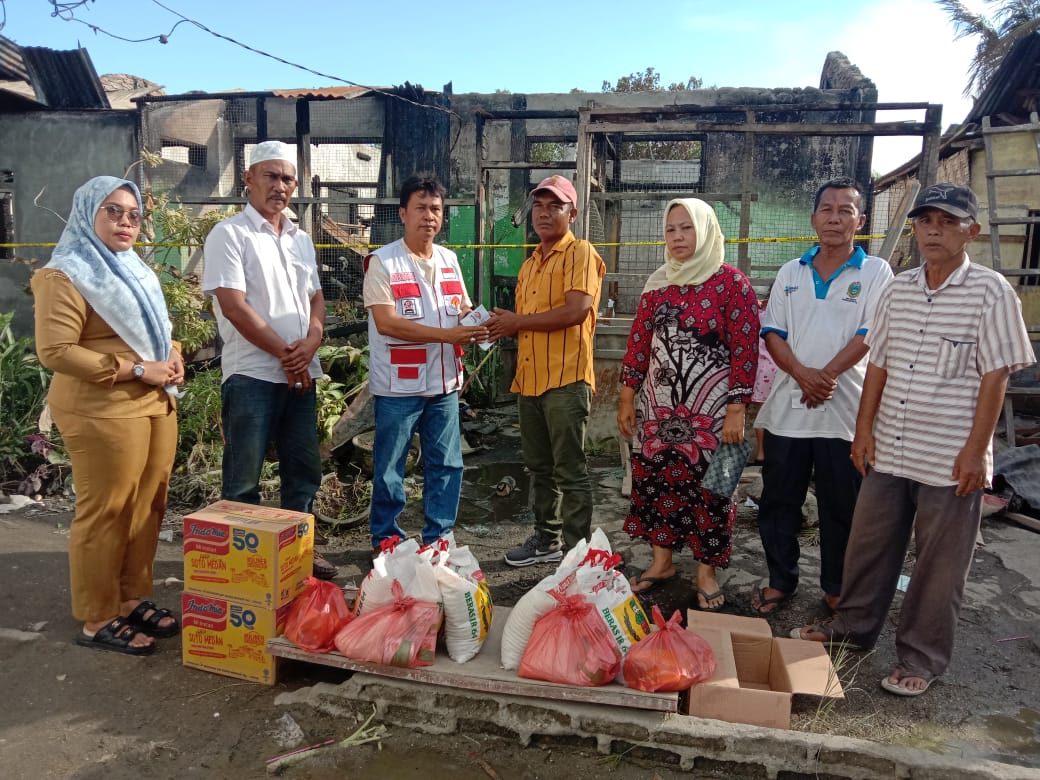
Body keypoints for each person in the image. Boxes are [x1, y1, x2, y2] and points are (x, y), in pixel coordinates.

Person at [791, 183, 1034, 697]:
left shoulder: (991, 292)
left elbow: (996, 377)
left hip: (950, 457)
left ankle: (920, 658)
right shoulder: (898, 289)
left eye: (947, 222)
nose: (933, 231)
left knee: (938, 566)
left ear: (972, 230)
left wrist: (976, 450)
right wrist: (862, 429)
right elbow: (877, 362)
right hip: (890, 447)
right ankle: (853, 629)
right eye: (925, 221)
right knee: (869, 546)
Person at [33, 176, 184, 654]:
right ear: (87, 214)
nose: (125, 222)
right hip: (102, 406)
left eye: (133, 214)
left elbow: (154, 329)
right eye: (113, 211)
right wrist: (137, 367)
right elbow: (55, 350)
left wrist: (173, 353)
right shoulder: (67, 273)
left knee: (147, 506)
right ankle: (98, 617)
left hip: (155, 400)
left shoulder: (134, 268)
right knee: (108, 511)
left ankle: (130, 598)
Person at [752, 179, 893, 615]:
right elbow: (772, 331)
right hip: (787, 412)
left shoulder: (876, 274)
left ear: (861, 221)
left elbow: (871, 333)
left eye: (845, 211)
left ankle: (836, 586)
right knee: (778, 503)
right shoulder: (791, 272)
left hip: (845, 413)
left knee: (842, 507)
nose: (835, 218)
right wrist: (802, 375)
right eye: (827, 209)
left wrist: (826, 376)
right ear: (813, 218)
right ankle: (781, 580)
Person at [202, 140, 337, 580]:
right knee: (244, 476)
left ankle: (299, 553)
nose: (280, 186)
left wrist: (313, 340)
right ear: (248, 179)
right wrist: (286, 354)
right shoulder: (230, 234)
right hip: (253, 376)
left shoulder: (300, 239)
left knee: (303, 469)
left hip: (300, 374)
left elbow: (316, 297)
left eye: (288, 178)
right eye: (271, 176)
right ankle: (242, 566)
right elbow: (234, 306)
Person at [617, 197, 759, 610]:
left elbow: (746, 351)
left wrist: (738, 408)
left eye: (687, 228)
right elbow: (639, 345)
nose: (678, 237)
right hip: (659, 414)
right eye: (671, 230)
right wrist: (627, 396)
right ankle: (662, 562)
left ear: (707, 230)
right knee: (657, 483)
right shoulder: (657, 284)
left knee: (715, 491)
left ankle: (706, 572)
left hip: (716, 418)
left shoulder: (733, 284)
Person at [363, 173, 488, 549]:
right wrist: (449, 335)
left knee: (447, 464)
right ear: (403, 213)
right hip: (399, 386)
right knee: (390, 468)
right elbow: (386, 323)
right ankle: (386, 538)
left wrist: (481, 323)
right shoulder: (382, 262)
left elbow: (461, 308)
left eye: (435, 209)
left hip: (445, 385)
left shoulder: (449, 260)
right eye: (420, 208)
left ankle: (439, 537)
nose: (429, 216)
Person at [487, 175, 606, 566]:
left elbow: (576, 311)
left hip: (566, 379)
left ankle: (577, 555)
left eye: (554, 205)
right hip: (532, 380)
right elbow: (524, 321)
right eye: (538, 205)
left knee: (569, 470)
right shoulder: (530, 265)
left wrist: (517, 322)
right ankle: (547, 539)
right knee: (539, 468)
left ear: (572, 212)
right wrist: (495, 322)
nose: (544, 213)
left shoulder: (580, 253)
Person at [749, 297, 778, 465]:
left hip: (763, 371)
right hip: (784, 370)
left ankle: (761, 454)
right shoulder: (786, 315)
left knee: (762, 414)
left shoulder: (757, 315)